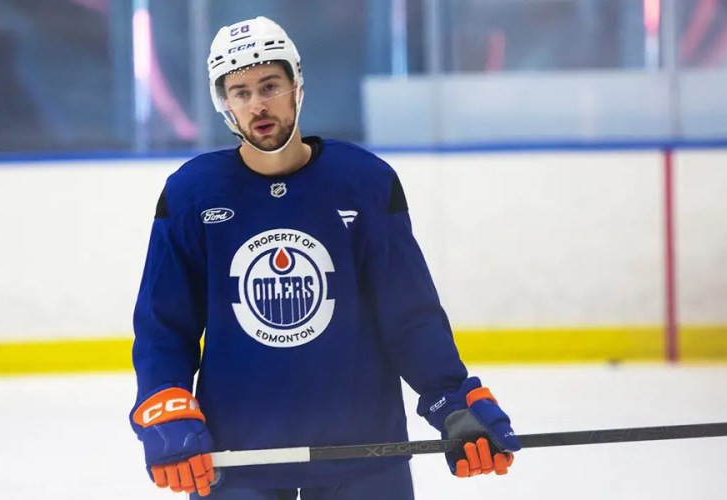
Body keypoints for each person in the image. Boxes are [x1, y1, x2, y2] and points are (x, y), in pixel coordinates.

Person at [129, 16, 520, 499]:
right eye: (241, 92)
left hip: (364, 456)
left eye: (270, 86)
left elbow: (409, 315)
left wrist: (453, 400)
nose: (258, 104)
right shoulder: (191, 194)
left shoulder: (365, 182)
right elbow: (164, 325)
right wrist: (165, 402)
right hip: (237, 458)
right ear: (225, 104)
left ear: (296, 86)